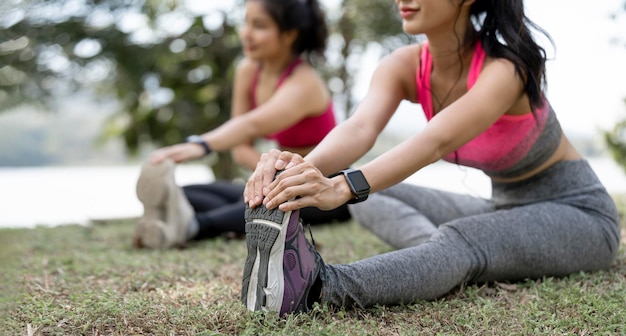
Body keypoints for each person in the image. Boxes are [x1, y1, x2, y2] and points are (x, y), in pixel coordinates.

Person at [240, 0, 621, 315]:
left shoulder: (505, 71)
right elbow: (360, 128)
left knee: (460, 239)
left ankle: (317, 288)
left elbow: (435, 142)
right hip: (505, 209)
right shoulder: (404, 66)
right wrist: (295, 170)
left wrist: (342, 186)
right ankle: (432, 258)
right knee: (376, 198)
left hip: (580, 217)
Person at [132, 0, 350, 249]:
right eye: (246, 23)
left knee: (265, 203)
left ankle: (191, 226)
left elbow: (251, 124)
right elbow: (240, 147)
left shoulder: (305, 83)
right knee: (187, 192)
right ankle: (175, 214)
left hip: (324, 188)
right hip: (279, 183)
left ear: (289, 35)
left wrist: (202, 144)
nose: (246, 33)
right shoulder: (248, 70)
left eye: (259, 26)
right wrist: (268, 178)